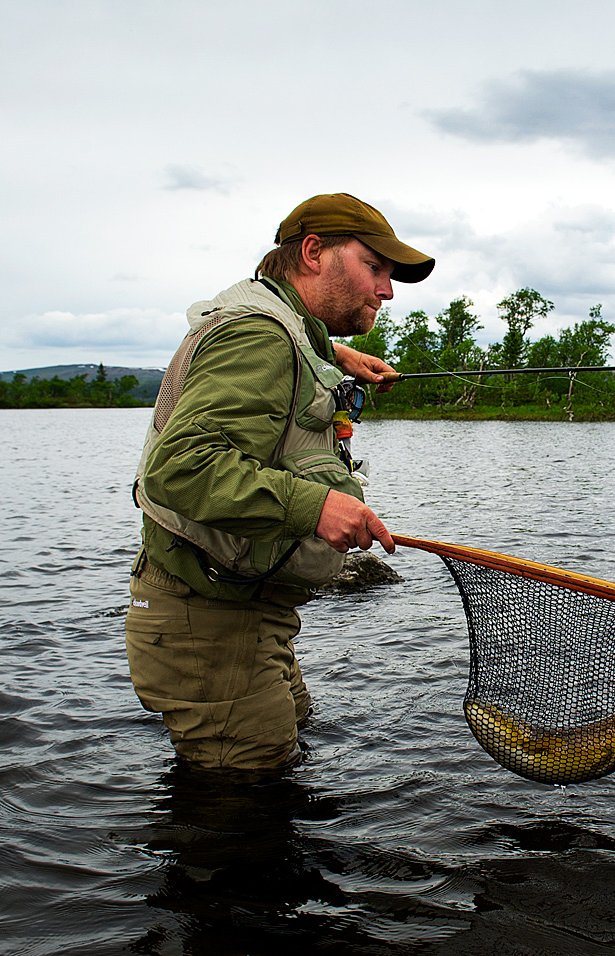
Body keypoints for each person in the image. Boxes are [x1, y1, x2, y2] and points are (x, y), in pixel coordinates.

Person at [124, 193, 434, 771]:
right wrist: (317, 507)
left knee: (286, 759)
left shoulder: (281, 330)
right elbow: (180, 467)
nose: (386, 290)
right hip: (208, 621)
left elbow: (279, 351)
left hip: (245, 611)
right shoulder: (259, 337)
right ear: (313, 253)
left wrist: (334, 355)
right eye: (375, 268)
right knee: (245, 810)